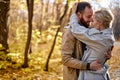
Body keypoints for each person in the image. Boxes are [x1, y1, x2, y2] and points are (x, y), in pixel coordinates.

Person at [61, 2, 111, 80]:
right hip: (75, 76)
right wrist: (88, 65)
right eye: (88, 16)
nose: (91, 19)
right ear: (78, 15)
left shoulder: (91, 30)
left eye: (92, 16)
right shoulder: (70, 32)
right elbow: (65, 59)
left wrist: (104, 54)